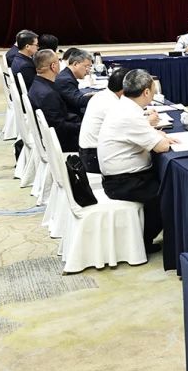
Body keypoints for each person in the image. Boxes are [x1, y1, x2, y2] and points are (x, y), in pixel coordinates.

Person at [97, 69, 172, 252]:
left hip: (123, 175)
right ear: (146, 92)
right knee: (169, 194)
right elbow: (162, 146)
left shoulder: (124, 106)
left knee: (166, 182)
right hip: (123, 182)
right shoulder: (129, 114)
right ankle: (142, 243)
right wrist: (160, 137)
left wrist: (156, 135)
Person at [27, 49, 82, 152]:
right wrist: (83, 126)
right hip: (61, 142)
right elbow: (60, 127)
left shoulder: (37, 83)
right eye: (58, 61)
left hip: (51, 136)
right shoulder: (48, 94)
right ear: (53, 66)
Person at [78, 68, 124, 174]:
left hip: (88, 152)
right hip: (94, 157)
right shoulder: (113, 104)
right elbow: (127, 128)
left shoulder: (100, 95)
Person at [54, 48, 94, 116]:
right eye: (86, 66)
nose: (88, 71)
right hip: (70, 118)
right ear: (75, 64)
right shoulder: (65, 80)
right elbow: (78, 101)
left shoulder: (66, 75)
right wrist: (98, 96)